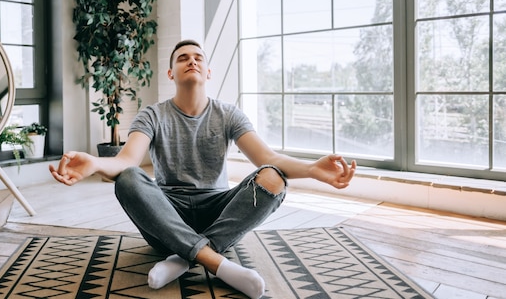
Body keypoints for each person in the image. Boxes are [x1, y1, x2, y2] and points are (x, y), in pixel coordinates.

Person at [50, 39, 357, 299]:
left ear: (208, 71)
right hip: (167, 214)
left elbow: (268, 158)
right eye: (183, 58)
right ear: (171, 72)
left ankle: (184, 258)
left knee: (273, 178)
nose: (191, 61)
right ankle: (216, 261)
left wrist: (313, 170)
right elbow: (126, 161)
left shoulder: (228, 114)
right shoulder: (152, 115)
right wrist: (94, 163)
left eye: (198, 58)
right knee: (128, 179)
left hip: (218, 211)